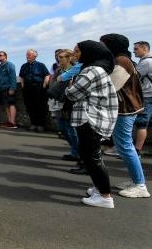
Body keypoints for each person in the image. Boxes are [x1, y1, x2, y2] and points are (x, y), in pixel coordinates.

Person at [65, 40, 118, 208]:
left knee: (92, 157)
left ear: (88, 53)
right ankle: (99, 188)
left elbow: (73, 94)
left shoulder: (91, 71)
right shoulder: (97, 69)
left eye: (77, 51)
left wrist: (70, 86)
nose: (74, 54)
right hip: (95, 117)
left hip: (91, 118)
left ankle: (105, 197)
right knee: (91, 156)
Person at [99, 33, 149, 198]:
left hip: (124, 109)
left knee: (125, 147)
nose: (101, 48)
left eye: (103, 44)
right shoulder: (122, 59)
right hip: (125, 109)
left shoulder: (121, 61)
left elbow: (111, 86)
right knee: (124, 146)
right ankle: (136, 180)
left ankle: (140, 185)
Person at [47, 49, 79, 162]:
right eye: (57, 57)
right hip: (57, 101)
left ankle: (76, 153)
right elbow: (53, 84)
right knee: (62, 128)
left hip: (68, 102)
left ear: (69, 58)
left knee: (70, 128)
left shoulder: (74, 70)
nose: (58, 59)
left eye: (61, 57)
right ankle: (75, 150)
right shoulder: (58, 70)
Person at [19, 49, 51, 132]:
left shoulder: (41, 65)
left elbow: (47, 75)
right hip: (27, 88)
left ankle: (41, 125)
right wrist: (23, 86)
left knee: (40, 106)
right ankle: (33, 124)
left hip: (38, 87)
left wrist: (44, 85)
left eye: (29, 55)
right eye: (27, 54)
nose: (27, 56)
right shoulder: (24, 66)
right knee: (30, 107)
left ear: (35, 56)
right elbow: (21, 76)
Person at [133, 40, 152, 156]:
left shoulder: (146, 62)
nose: (134, 51)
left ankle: (136, 151)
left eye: (136, 49)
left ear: (144, 48)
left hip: (146, 96)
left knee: (141, 124)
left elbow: (134, 78)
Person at [0, 51, 18, 129]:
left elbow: (13, 77)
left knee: (11, 104)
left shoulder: (10, 65)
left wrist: (12, 88)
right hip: (2, 88)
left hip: (9, 87)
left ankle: (13, 122)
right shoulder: (0, 66)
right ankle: (9, 121)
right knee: (6, 105)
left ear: (5, 56)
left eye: (0, 55)